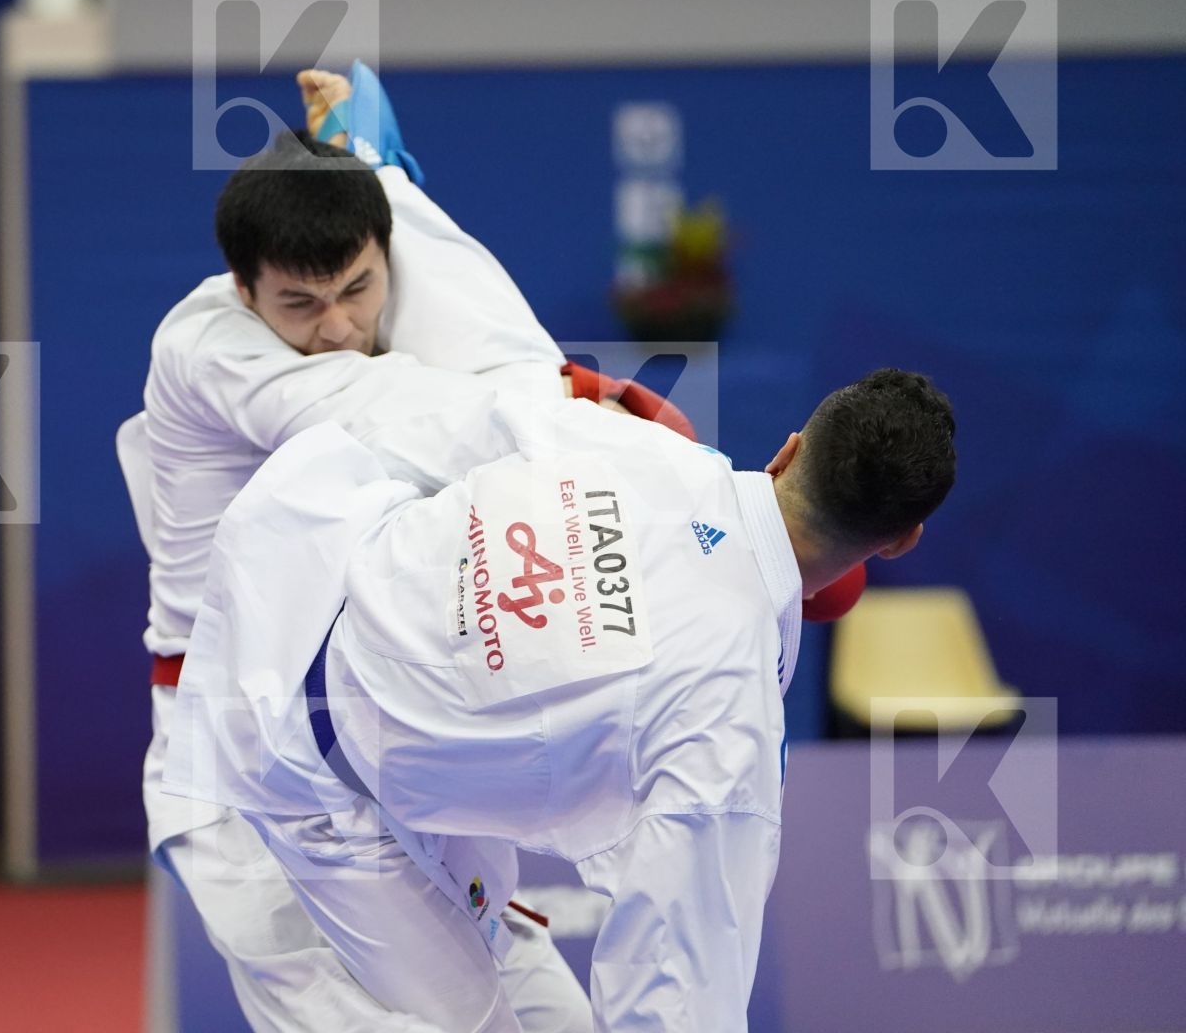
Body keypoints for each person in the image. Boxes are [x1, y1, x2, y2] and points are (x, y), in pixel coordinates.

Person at [165, 368, 956, 1030]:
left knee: (534, 982)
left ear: (790, 451)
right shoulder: (731, 728)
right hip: (319, 783)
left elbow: (437, 423)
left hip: (292, 584)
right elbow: (674, 989)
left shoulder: (630, 441)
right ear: (900, 540)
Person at [129, 66, 596, 1031]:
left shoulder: (383, 247)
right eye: (299, 306)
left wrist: (358, 144)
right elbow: (365, 408)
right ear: (242, 290)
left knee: (540, 1006)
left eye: (357, 289)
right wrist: (594, 416)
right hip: (241, 758)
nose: (338, 327)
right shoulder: (204, 347)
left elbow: (413, 222)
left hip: (386, 736)